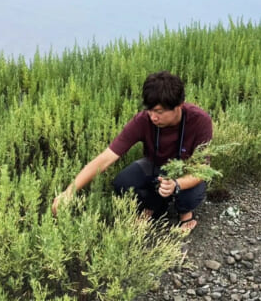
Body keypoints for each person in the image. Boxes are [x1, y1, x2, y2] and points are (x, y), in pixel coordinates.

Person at [52, 71, 213, 231]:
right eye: (150, 110)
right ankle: (155, 206)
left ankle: (185, 212)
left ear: (179, 106)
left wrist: (176, 185)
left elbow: (202, 170)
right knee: (122, 183)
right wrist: (69, 191)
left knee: (190, 194)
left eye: (159, 112)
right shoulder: (143, 120)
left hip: (185, 170)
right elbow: (106, 158)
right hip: (155, 165)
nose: (153, 117)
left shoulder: (200, 121)